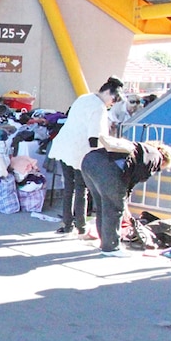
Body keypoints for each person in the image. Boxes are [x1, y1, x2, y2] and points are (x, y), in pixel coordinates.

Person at [48, 77, 124, 235]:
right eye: (114, 100)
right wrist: (98, 157)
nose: (112, 103)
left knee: (69, 187)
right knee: (81, 189)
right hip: (80, 151)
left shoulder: (84, 98)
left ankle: (68, 225)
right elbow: (94, 137)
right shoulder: (99, 107)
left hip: (64, 146)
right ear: (109, 93)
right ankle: (81, 226)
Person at [80, 136, 171, 257]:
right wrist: (123, 200)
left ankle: (105, 242)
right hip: (108, 168)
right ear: (165, 160)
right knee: (114, 208)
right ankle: (111, 247)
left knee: (102, 205)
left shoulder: (142, 148)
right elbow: (134, 177)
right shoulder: (156, 157)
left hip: (89, 161)